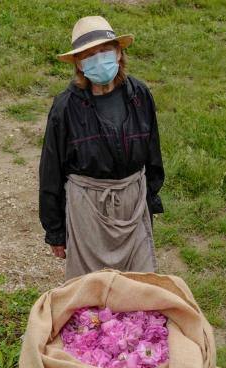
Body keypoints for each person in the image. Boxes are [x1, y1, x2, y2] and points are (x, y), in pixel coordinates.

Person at [39, 15, 165, 280]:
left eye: (105, 51)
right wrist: (55, 231)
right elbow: (50, 172)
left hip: (132, 201)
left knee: (140, 286)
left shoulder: (139, 95)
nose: (99, 59)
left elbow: (153, 154)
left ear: (118, 53)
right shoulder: (65, 108)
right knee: (91, 291)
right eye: (89, 55)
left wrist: (148, 200)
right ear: (79, 63)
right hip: (88, 207)